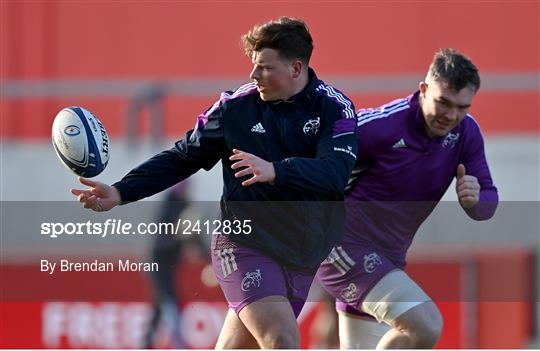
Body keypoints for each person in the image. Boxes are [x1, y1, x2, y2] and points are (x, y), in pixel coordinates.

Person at [71, 17, 358, 349]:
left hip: (303, 251)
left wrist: (278, 170)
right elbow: (182, 157)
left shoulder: (335, 108)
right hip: (244, 244)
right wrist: (122, 191)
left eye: (265, 67)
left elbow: (336, 174)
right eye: (253, 66)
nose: (254, 75)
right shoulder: (233, 108)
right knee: (281, 339)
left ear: (296, 69)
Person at [316, 48, 499, 349]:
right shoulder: (382, 126)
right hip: (342, 247)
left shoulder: (467, 134)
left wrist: (475, 200)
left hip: (389, 260)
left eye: (462, 107)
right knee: (425, 326)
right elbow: (312, 162)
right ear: (424, 89)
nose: (451, 115)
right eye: (443, 102)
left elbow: (487, 201)